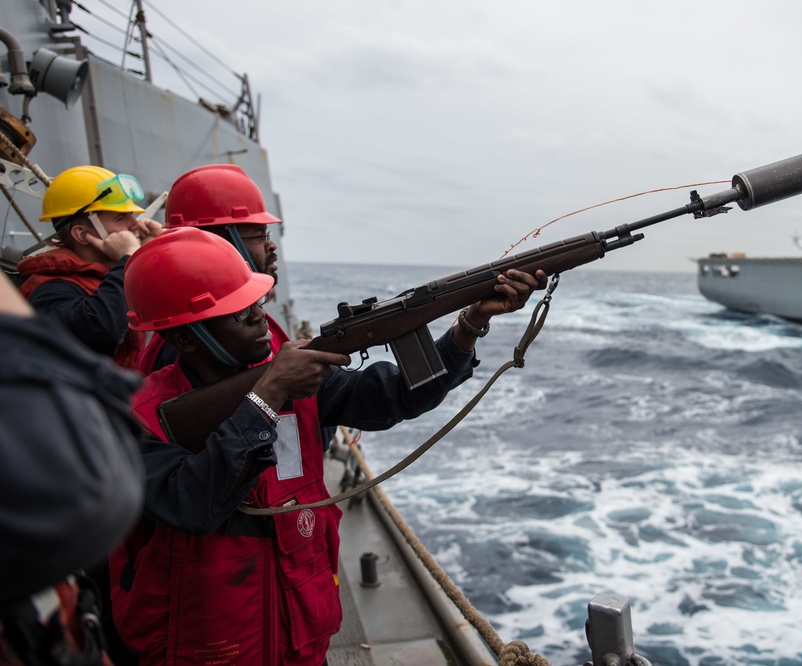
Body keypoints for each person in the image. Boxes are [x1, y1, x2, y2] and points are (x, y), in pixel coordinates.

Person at [110, 228, 546, 665]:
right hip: (202, 647)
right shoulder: (138, 416)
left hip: (299, 633)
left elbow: (395, 396)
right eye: (240, 314)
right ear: (185, 339)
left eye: (258, 304)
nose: (261, 318)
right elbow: (190, 503)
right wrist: (267, 398)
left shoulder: (295, 376)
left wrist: (469, 326)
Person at [0, 272, 145, 665]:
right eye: (118, 218)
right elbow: (89, 490)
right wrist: (127, 262)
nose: (131, 223)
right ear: (83, 231)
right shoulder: (54, 290)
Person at [134, 164, 281, 375]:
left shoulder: (200, 334)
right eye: (259, 235)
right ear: (219, 242)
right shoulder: (191, 345)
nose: (271, 246)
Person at [16, 165, 162, 369]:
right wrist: (128, 257)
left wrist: (157, 249)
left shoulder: (114, 273)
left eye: (132, 215)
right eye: (120, 218)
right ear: (81, 234)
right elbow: (101, 329)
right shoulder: (48, 290)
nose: (135, 225)